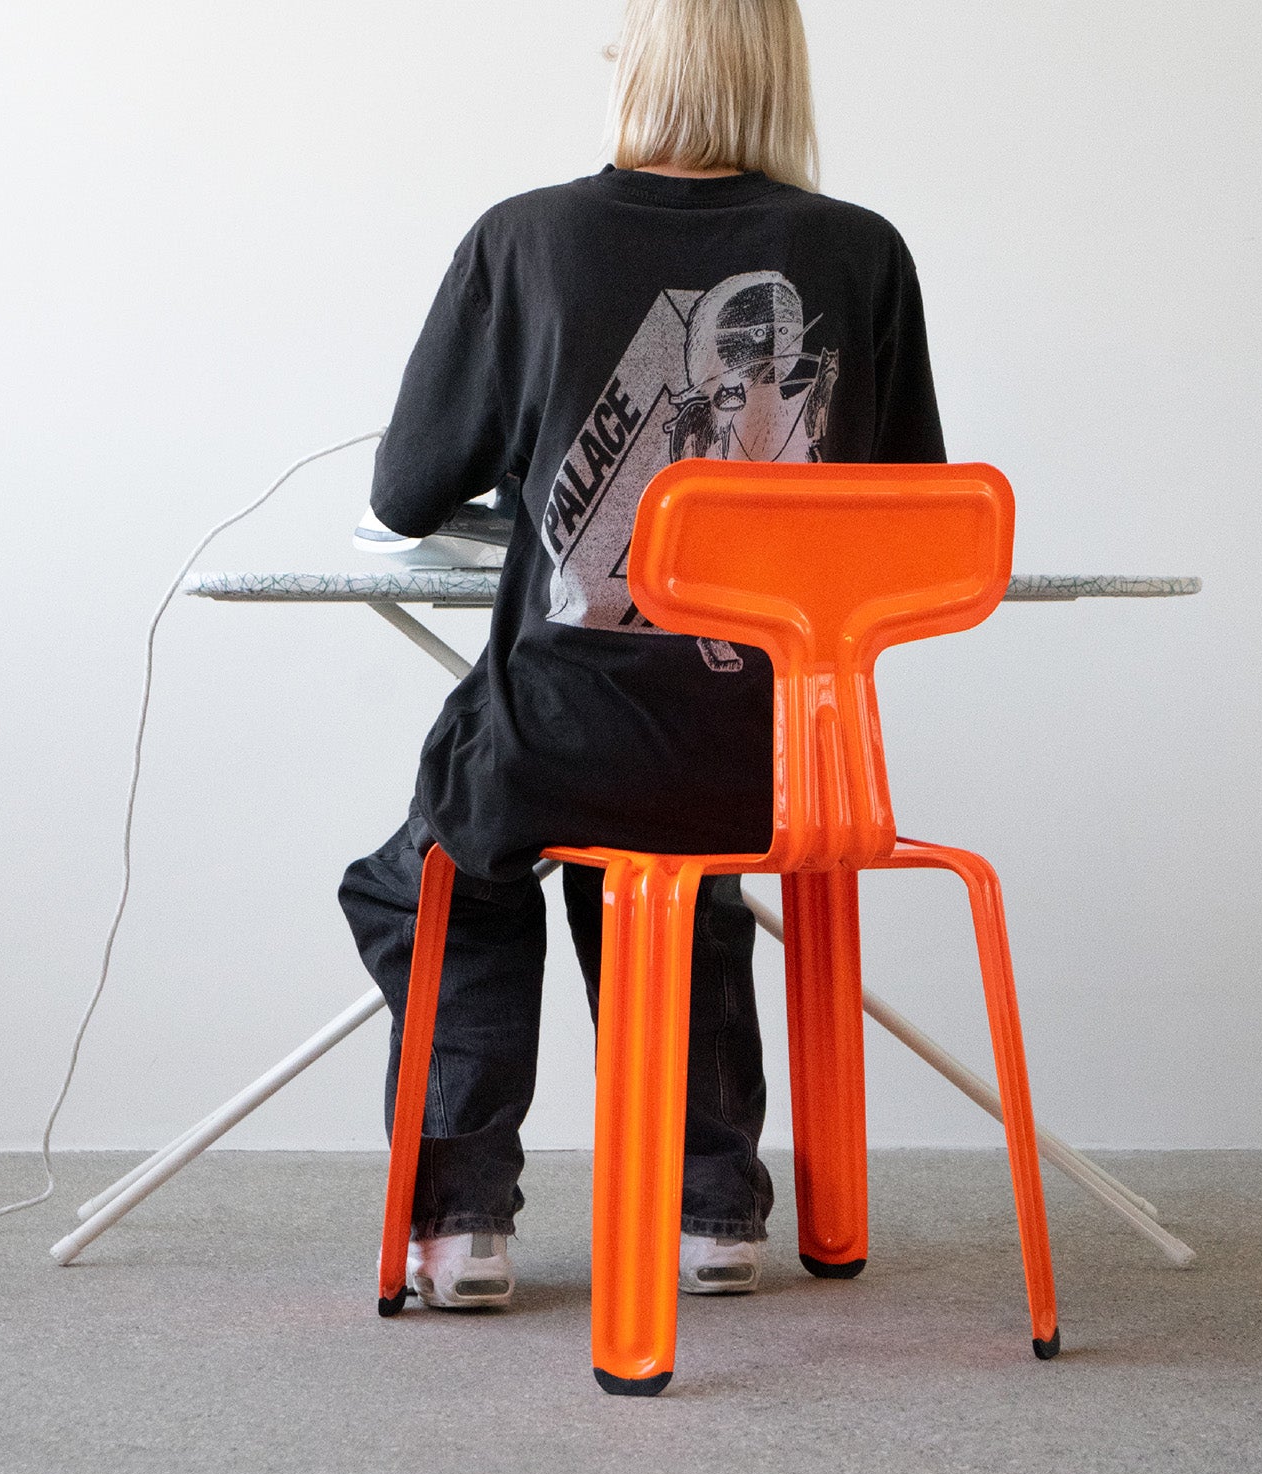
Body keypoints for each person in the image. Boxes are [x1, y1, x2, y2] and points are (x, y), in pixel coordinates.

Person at [339, 0, 945, 1309]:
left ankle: (459, 1228)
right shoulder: (863, 253)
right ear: (782, 71)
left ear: (636, 65)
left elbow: (404, 493)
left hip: (564, 743)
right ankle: (716, 1208)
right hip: (780, 767)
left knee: (450, 860)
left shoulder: (526, 238)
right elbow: (903, 513)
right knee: (673, 861)